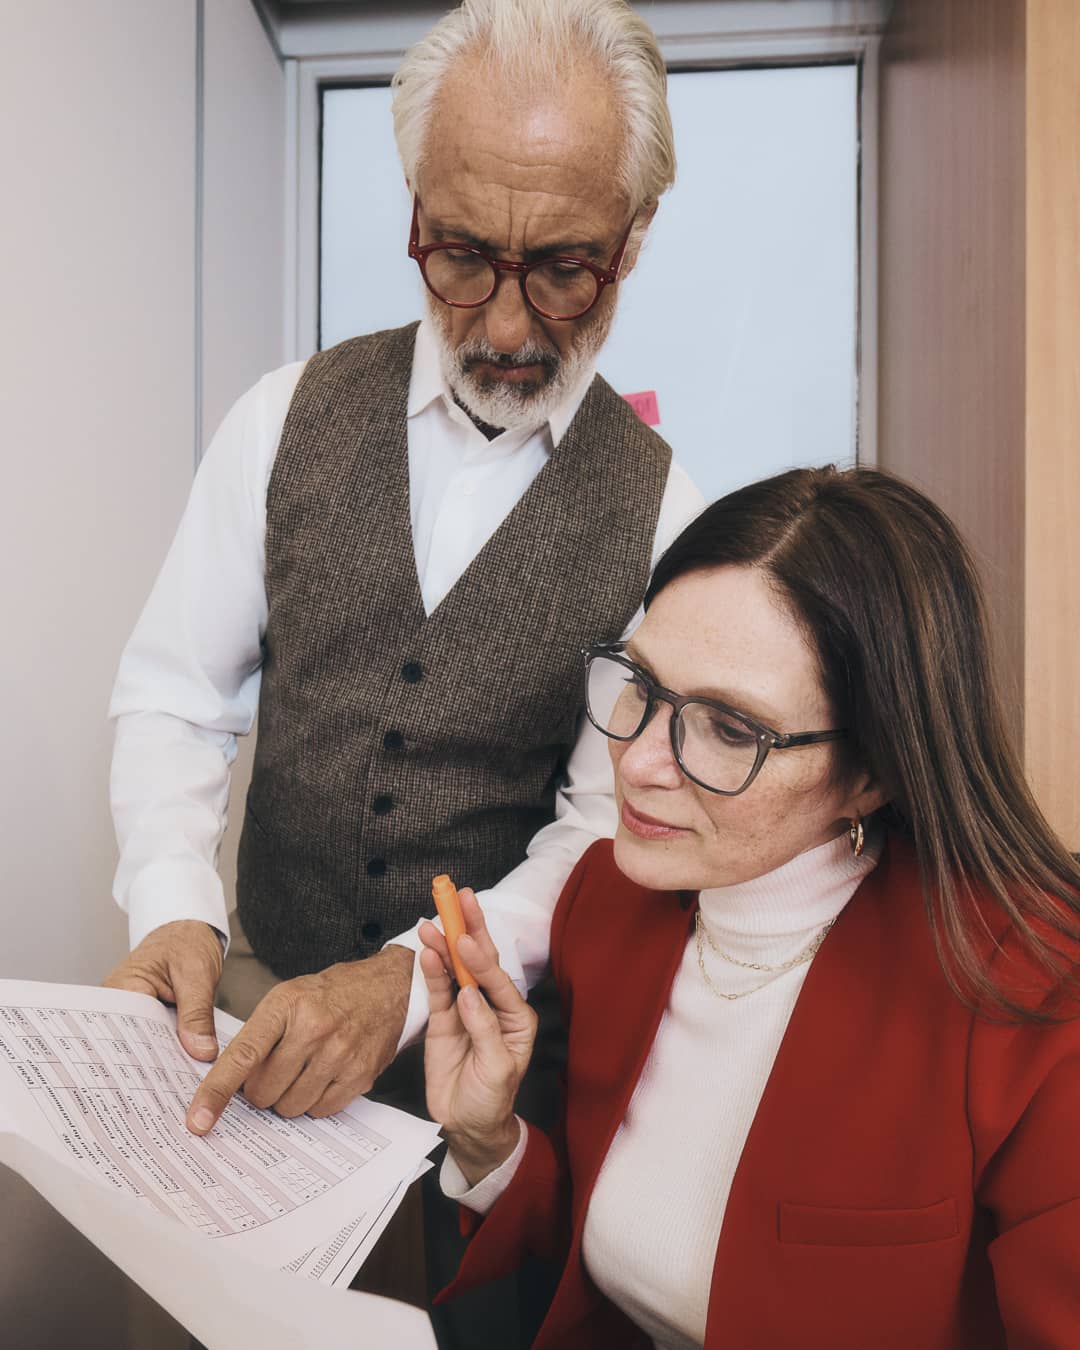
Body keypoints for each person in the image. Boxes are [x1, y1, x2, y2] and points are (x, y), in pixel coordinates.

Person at [421, 465, 1080, 1349]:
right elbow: (614, 1261)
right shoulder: (610, 903)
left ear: (873, 773)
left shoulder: (1034, 997)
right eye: (640, 688)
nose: (640, 762)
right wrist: (486, 1140)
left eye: (729, 729)